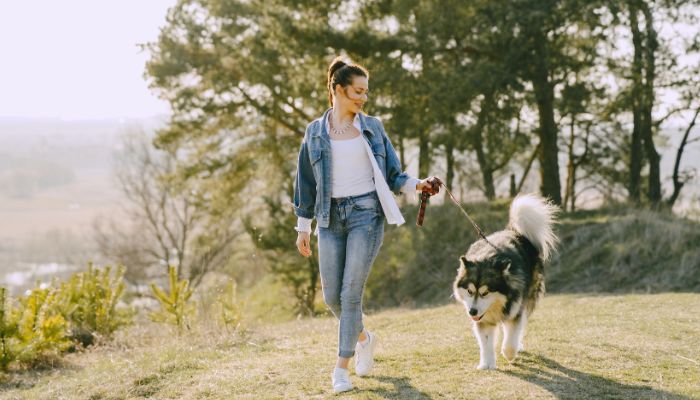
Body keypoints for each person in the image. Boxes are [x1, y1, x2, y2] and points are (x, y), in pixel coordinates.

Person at [293, 56, 438, 393]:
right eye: (357, 91)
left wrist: (419, 184)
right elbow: (305, 183)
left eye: (366, 93)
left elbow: (393, 173)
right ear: (338, 90)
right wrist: (304, 226)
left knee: (350, 293)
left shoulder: (372, 127)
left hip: (366, 215)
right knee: (332, 298)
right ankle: (364, 338)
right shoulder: (314, 132)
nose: (363, 98)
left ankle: (340, 369)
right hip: (329, 219)